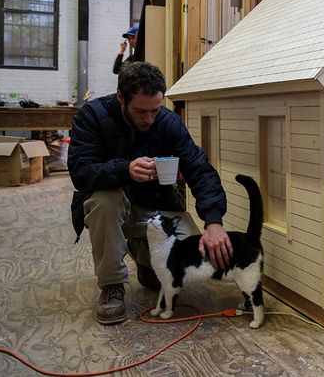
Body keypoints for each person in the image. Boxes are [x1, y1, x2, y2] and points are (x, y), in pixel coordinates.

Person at [68, 61, 233, 325]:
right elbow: (80, 170)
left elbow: (200, 169)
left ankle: (145, 261)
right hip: (111, 210)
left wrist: (214, 221)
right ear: (121, 96)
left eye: (155, 110)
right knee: (105, 200)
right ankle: (111, 286)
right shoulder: (92, 116)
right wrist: (125, 170)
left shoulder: (169, 122)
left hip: (154, 207)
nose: (149, 119)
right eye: (141, 111)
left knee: (190, 257)